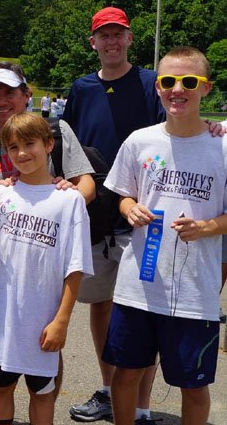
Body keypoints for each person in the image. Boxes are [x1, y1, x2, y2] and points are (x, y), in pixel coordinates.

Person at [103, 46, 226, 424]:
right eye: (169, 81)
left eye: (188, 81)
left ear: (205, 88)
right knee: (125, 374)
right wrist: (130, 208)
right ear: (158, 86)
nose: (178, 89)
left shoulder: (221, 144)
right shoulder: (140, 141)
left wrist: (207, 227)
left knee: (193, 386)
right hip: (138, 285)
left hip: (193, 291)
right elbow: (121, 194)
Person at [0, 64, 95, 424]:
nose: (21, 153)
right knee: (1, 387)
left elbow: (75, 265)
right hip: (1, 306)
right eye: (14, 147)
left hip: (44, 308)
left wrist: (62, 319)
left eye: (9, 92)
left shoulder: (66, 192)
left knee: (43, 390)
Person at [62, 7, 166, 424]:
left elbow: (177, 124)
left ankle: (139, 408)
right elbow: (66, 146)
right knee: (101, 304)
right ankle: (109, 391)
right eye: (103, 35)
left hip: (142, 211)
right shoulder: (82, 88)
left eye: (117, 34)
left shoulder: (149, 84)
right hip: (96, 214)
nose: (111, 42)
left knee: (145, 309)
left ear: (129, 38)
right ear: (93, 42)